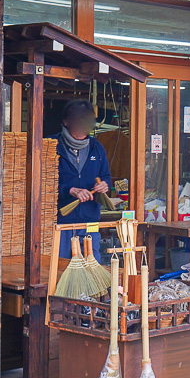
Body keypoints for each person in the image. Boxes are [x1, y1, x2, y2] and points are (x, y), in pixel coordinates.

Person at [54, 100, 111, 261]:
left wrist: (104, 185)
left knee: (92, 266)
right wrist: (69, 190)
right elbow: (40, 184)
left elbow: (106, 176)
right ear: (65, 122)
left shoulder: (97, 148)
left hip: (89, 220)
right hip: (61, 221)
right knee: (62, 268)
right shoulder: (51, 146)